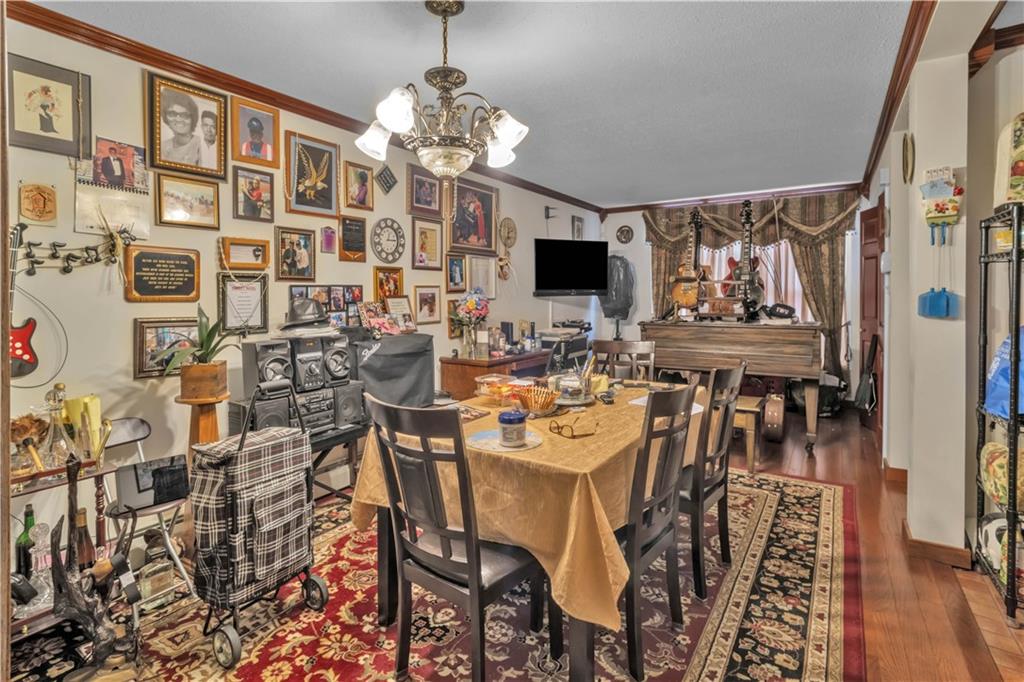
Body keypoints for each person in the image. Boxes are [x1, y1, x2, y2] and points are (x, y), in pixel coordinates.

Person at [160, 89, 201, 165]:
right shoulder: (162, 146)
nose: (178, 119)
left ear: (193, 118)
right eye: (172, 114)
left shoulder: (200, 145)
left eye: (184, 115)